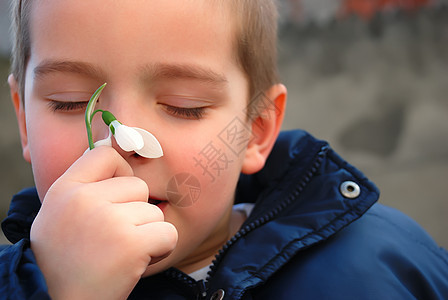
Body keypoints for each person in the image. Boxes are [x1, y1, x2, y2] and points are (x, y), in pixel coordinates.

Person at [1, 0, 447, 299]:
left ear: (253, 131)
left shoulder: (380, 264)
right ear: (23, 119)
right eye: (70, 102)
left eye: (184, 107)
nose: (119, 142)